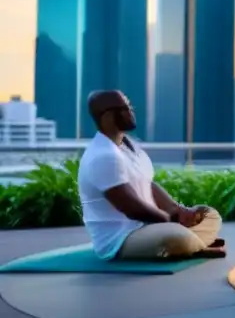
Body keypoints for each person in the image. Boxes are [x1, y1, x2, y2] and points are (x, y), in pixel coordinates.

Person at [77, 90, 225, 260]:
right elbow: (133, 209)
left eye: (129, 107)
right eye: (124, 108)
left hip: (151, 226)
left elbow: (148, 184)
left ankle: (192, 243)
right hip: (122, 238)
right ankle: (192, 244)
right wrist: (169, 220)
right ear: (107, 116)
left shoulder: (129, 146)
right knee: (175, 237)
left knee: (208, 215)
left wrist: (177, 210)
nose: (130, 112)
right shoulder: (103, 156)